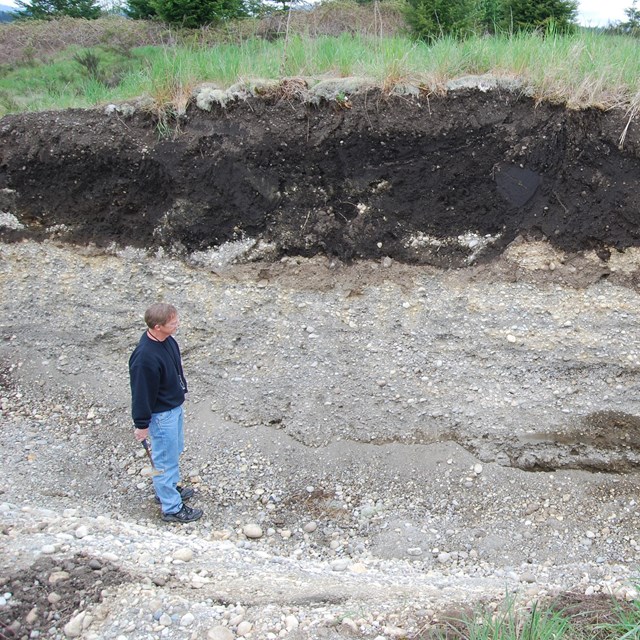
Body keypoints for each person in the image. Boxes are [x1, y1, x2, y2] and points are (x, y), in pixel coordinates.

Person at [129, 303, 203, 523]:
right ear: (158, 326)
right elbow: (141, 393)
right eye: (173, 322)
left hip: (173, 408)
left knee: (173, 452)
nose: (178, 324)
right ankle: (171, 508)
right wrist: (141, 424)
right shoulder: (144, 358)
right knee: (163, 461)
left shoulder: (168, 341)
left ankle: (167, 490)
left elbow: (175, 370)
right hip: (161, 416)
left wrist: (182, 389)